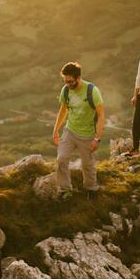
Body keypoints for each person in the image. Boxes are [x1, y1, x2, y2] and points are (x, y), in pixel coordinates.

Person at [52, 62, 105, 199]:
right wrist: (56, 130)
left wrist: (97, 138)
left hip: (87, 134)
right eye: (65, 81)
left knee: (87, 164)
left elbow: (101, 115)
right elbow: (63, 111)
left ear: (78, 77)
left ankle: (91, 189)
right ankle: (65, 190)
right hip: (70, 131)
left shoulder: (92, 91)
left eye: (70, 81)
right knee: (61, 159)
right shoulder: (66, 90)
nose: (68, 84)